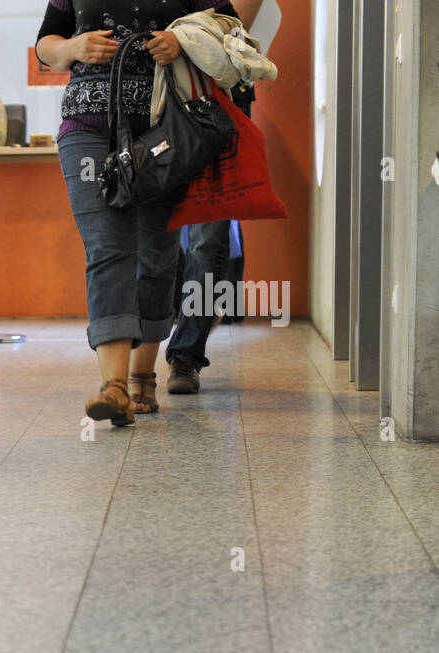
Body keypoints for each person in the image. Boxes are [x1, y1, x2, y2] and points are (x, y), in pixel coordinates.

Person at [36, 0, 244, 426]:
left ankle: (142, 374)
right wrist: (74, 48)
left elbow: (231, 30)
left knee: (156, 253)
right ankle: (113, 386)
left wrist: (183, 41)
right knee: (107, 249)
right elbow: (45, 44)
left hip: (165, 131)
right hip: (86, 128)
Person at [164, 0, 264, 395]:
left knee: (208, 238)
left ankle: (185, 356)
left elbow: (232, 22)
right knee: (152, 234)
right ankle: (135, 357)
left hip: (219, 106)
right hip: (155, 100)